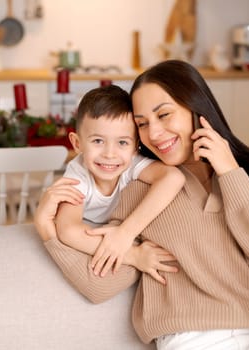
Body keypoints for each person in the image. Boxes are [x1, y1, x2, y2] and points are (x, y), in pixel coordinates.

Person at [34, 60, 249, 350]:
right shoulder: (140, 189)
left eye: (164, 114)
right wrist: (50, 231)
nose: (154, 133)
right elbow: (99, 286)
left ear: (196, 108)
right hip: (194, 341)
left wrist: (230, 172)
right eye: (142, 124)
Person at [56, 84, 185, 277]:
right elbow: (68, 230)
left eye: (122, 142)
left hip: (118, 229)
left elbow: (173, 177)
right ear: (77, 143)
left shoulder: (130, 163)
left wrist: (125, 233)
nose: (110, 154)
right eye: (98, 141)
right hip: (89, 235)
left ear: (135, 148)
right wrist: (133, 255)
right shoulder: (78, 174)